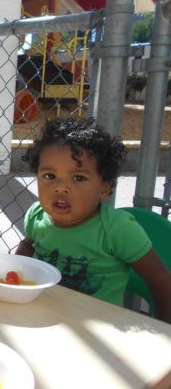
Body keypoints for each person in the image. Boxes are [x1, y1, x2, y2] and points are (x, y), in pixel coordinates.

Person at [16, 117, 171, 322]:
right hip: (41, 318)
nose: (60, 187)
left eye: (78, 178)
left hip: (101, 332)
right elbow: (28, 244)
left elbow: (159, 280)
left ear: (104, 188)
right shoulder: (36, 215)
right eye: (49, 176)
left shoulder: (116, 229)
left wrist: (164, 331)